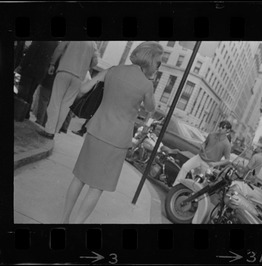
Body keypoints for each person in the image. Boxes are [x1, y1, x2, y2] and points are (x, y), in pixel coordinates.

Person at [60, 41, 164, 223]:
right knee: (96, 187)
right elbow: (150, 108)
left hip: (96, 130)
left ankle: (63, 221)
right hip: (117, 140)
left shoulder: (113, 70)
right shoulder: (146, 85)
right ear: (150, 59)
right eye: (158, 62)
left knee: (79, 178)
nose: (158, 66)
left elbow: (83, 89)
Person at [37, 41, 99, 139]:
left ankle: (49, 130)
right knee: (66, 105)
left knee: (55, 101)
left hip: (65, 71)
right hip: (79, 77)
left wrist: (52, 63)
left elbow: (59, 49)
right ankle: (54, 131)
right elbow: (95, 62)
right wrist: (86, 64)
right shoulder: (93, 44)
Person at [173, 120, 232, 186]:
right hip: (199, 157)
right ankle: (175, 186)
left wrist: (215, 164)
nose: (220, 128)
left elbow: (227, 160)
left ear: (228, 130)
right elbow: (204, 143)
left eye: (223, 127)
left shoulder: (227, 144)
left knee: (201, 183)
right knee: (184, 167)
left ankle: (190, 194)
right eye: (220, 126)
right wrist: (202, 146)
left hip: (208, 165)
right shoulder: (211, 135)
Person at [16, 41, 59, 119]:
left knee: (23, 91)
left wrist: (21, 65)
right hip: (41, 71)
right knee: (31, 92)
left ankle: (18, 112)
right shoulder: (56, 43)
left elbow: (30, 52)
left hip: (30, 68)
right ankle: (25, 113)